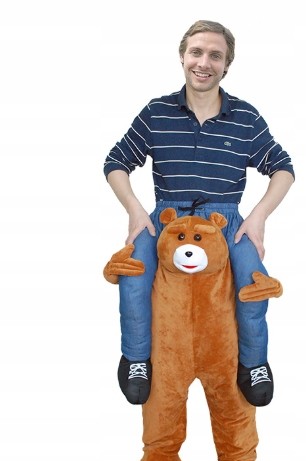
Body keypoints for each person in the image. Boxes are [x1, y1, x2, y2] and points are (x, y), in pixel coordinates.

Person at [103, 20, 295, 407]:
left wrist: (257, 217)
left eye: (215, 55)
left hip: (225, 221)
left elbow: (283, 168)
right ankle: (136, 357)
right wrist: (136, 211)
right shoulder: (157, 112)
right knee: (133, 275)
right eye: (196, 52)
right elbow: (115, 162)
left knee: (254, 282)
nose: (204, 63)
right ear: (182, 57)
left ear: (227, 65)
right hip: (167, 219)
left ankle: (254, 363)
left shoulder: (246, 117)